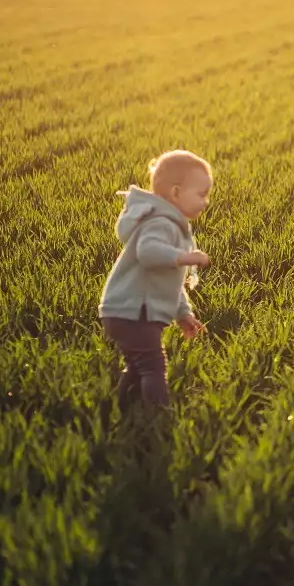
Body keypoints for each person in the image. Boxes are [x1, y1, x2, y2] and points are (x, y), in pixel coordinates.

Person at [98, 150, 212, 409]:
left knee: (139, 367)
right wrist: (185, 256)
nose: (206, 202)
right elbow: (148, 253)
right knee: (153, 366)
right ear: (175, 193)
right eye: (201, 194)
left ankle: (124, 407)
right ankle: (158, 415)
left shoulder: (170, 223)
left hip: (127, 311)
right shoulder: (161, 223)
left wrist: (183, 313)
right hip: (133, 312)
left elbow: (169, 281)